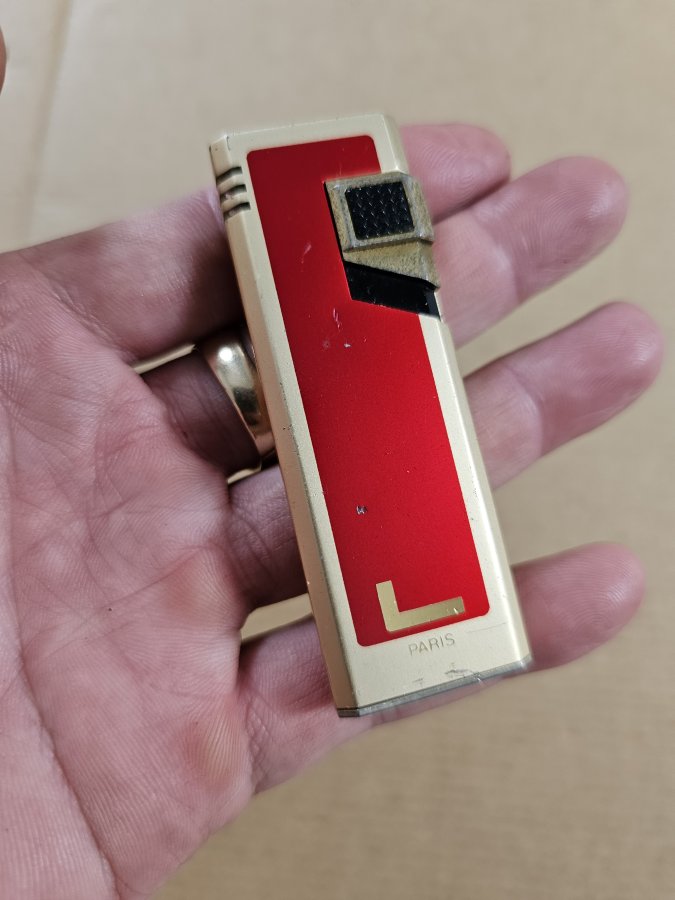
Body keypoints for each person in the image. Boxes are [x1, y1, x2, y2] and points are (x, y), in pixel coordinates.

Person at [0, 28, 663, 900]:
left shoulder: (359, 213)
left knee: (387, 314)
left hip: (357, 320)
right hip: (324, 305)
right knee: (373, 306)